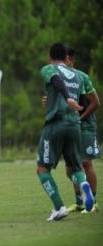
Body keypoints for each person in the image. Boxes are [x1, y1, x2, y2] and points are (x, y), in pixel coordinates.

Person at [36, 42, 94, 221]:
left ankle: (59, 207)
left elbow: (56, 81)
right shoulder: (78, 75)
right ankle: (84, 184)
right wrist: (67, 98)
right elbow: (82, 99)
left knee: (42, 169)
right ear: (66, 57)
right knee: (76, 166)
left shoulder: (48, 69)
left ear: (50, 57)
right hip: (75, 125)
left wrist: (67, 97)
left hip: (56, 124)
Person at [64, 47, 100, 213]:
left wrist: (80, 117)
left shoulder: (82, 77)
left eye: (65, 60)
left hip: (85, 126)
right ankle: (80, 202)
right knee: (71, 167)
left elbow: (95, 103)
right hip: (69, 125)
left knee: (85, 162)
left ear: (71, 61)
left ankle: (93, 202)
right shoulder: (59, 79)